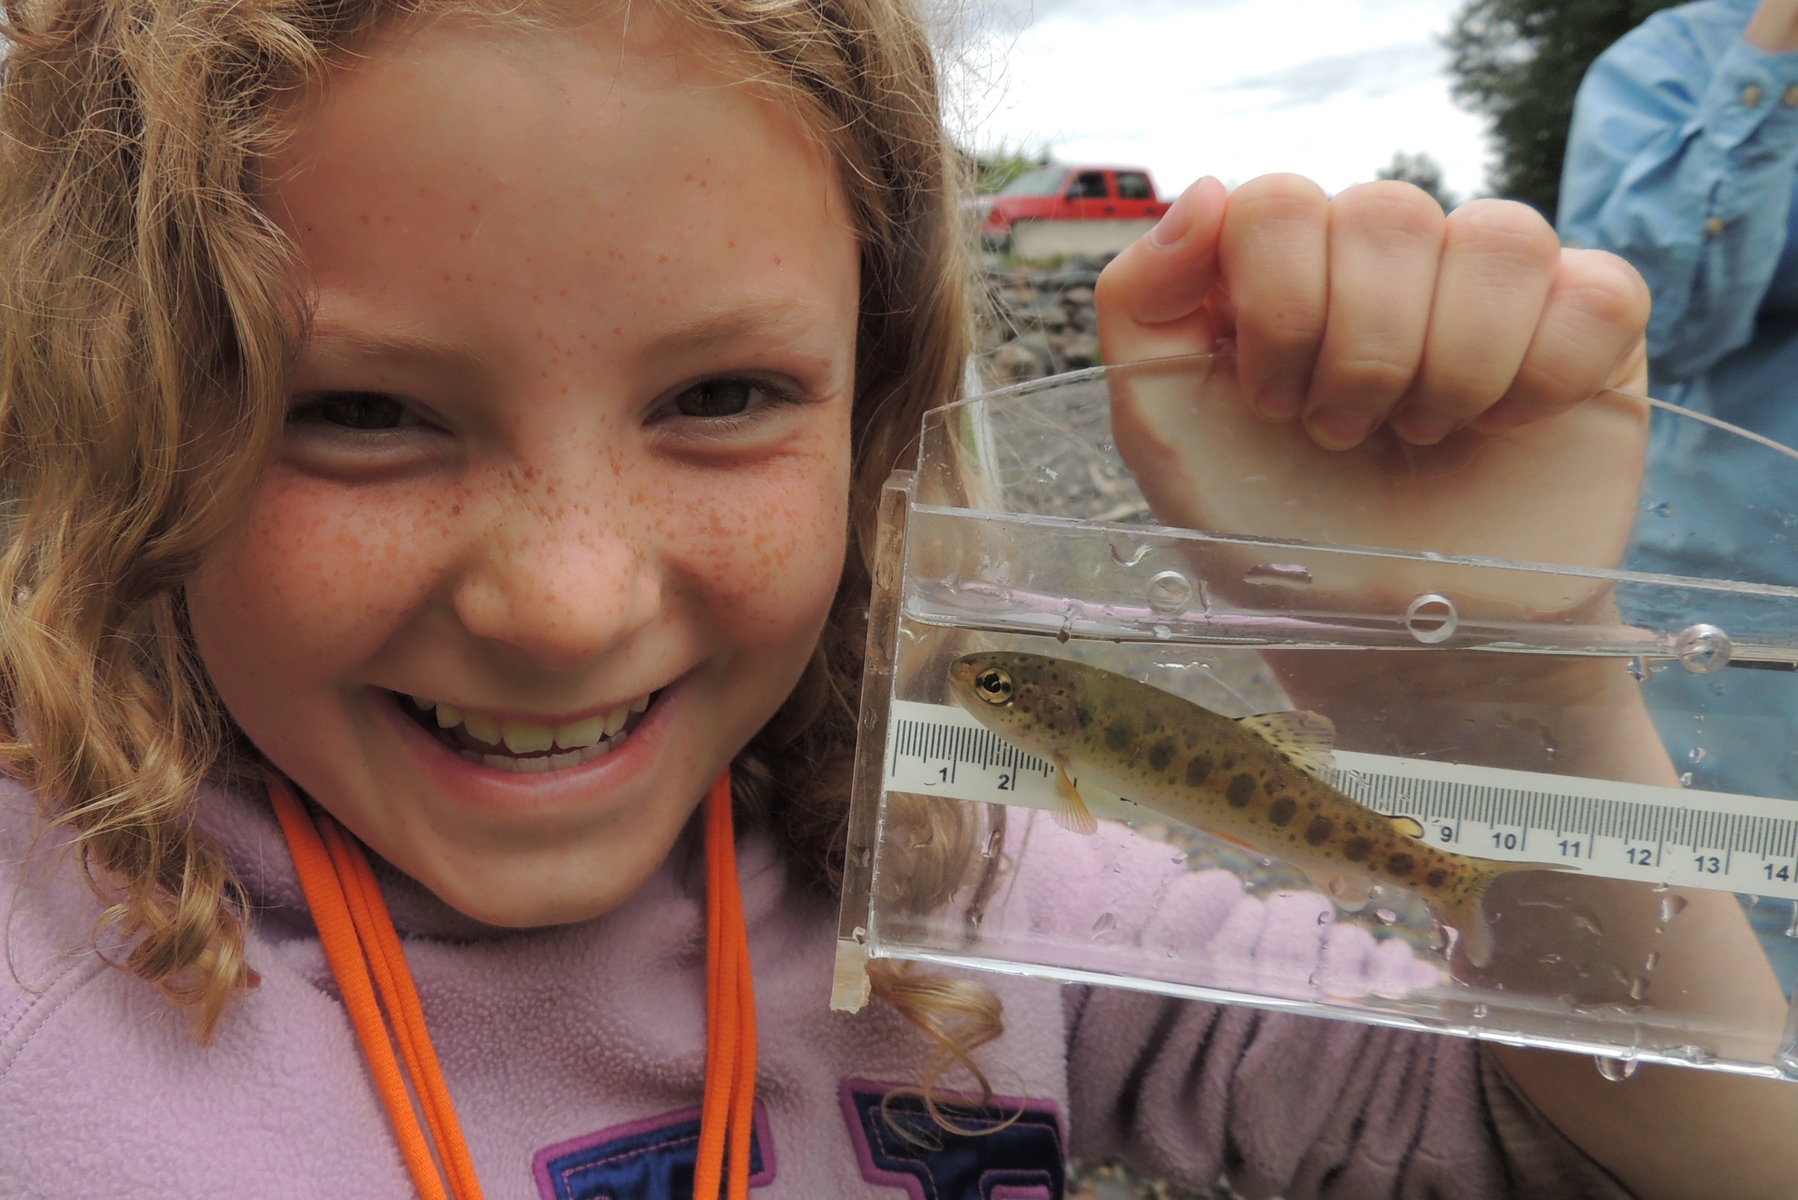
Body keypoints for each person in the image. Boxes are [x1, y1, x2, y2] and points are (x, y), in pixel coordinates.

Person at [0, 1, 1791, 1199]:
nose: (562, 601)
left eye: (721, 399)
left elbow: (1664, 1152)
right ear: (123, 417)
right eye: (361, 414)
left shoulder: (987, 876)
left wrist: (1507, 693)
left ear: (875, 430)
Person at [1561, 0, 1798, 987]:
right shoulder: (1670, 61)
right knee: (1732, 966)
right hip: (1738, 626)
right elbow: (1652, 322)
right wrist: (1774, 57)